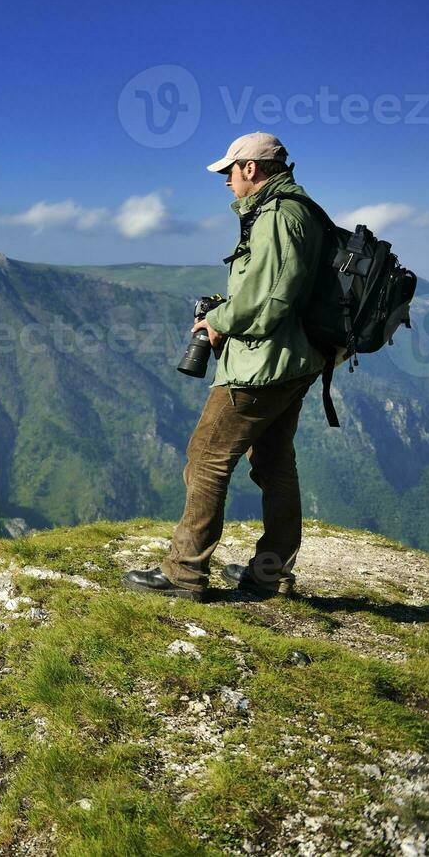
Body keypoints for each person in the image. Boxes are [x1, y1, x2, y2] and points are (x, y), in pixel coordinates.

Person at [124, 133, 328, 602]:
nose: (226, 182)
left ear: (251, 169)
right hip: (294, 361)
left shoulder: (278, 216)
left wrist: (215, 321)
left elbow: (267, 300)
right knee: (275, 462)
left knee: (206, 458)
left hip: (261, 366)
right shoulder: (303, 211)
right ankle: (269, 573)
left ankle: (184, 573)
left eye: (228, 172)